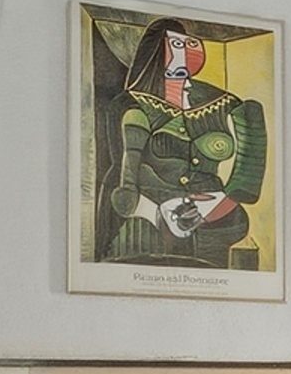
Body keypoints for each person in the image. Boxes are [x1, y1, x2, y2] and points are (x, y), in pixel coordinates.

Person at [100, 18, 268, 268]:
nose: (187, 49)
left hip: (216, 221)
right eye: (176, 43)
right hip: (149, 221)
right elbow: (122, 173)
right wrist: (157, 213)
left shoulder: (221, 102)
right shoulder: (128, 104)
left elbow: (253, 150)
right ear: (155, 51)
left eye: (189, 43)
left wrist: (224, 200)